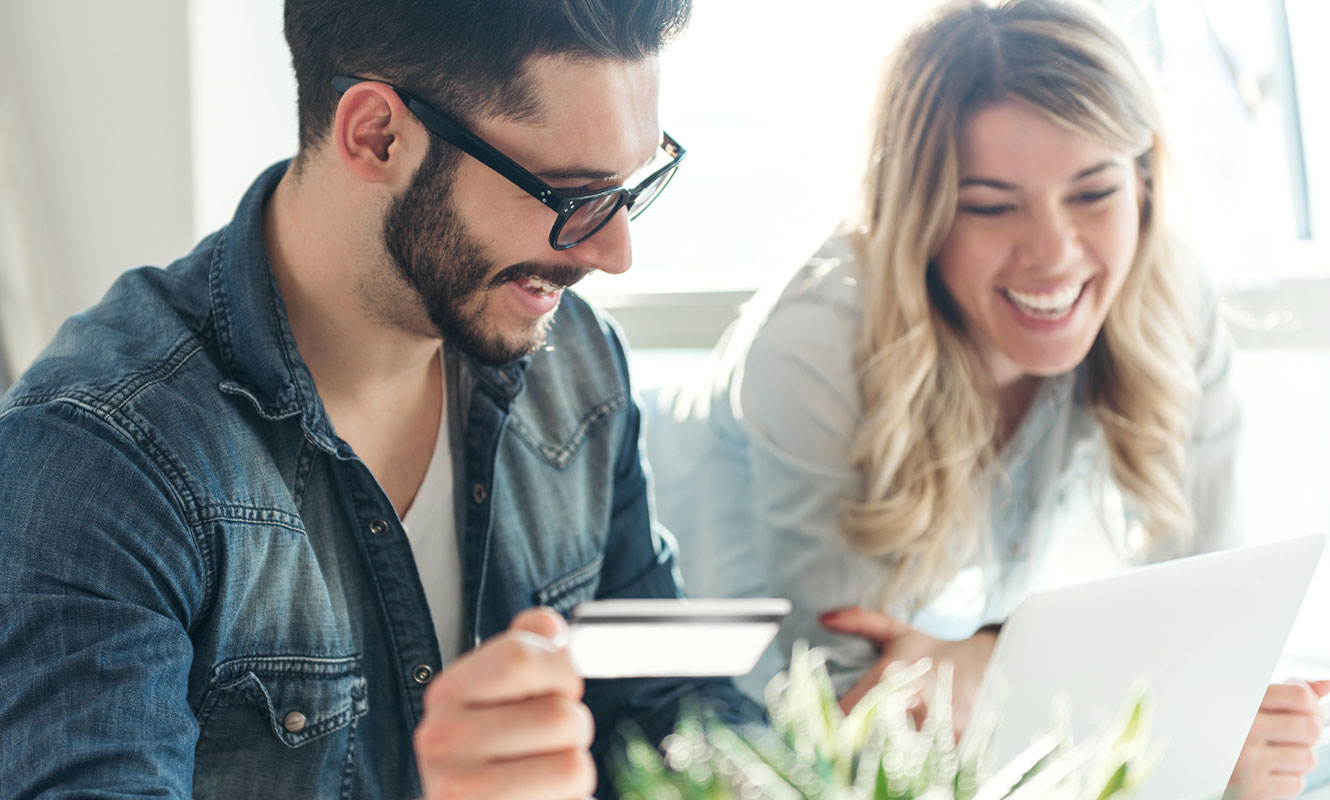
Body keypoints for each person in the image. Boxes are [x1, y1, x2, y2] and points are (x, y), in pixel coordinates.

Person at [0, 1, 759, 798]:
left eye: (632, 184)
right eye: (570, 195)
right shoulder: (98, 464)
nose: (615, 253)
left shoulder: (578, 367)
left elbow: (675, 709)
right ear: (376, 136)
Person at [647, 0, 1326, 797]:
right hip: (688, 657)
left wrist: (1224, 728)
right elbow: (849, 707)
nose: (1054, 254)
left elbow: (1220, 623)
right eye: (992, 205)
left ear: (1142, 184)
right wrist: (998, 656)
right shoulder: (814, 343)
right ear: (920, 213)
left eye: (1094, 192)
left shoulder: (1165, 289)